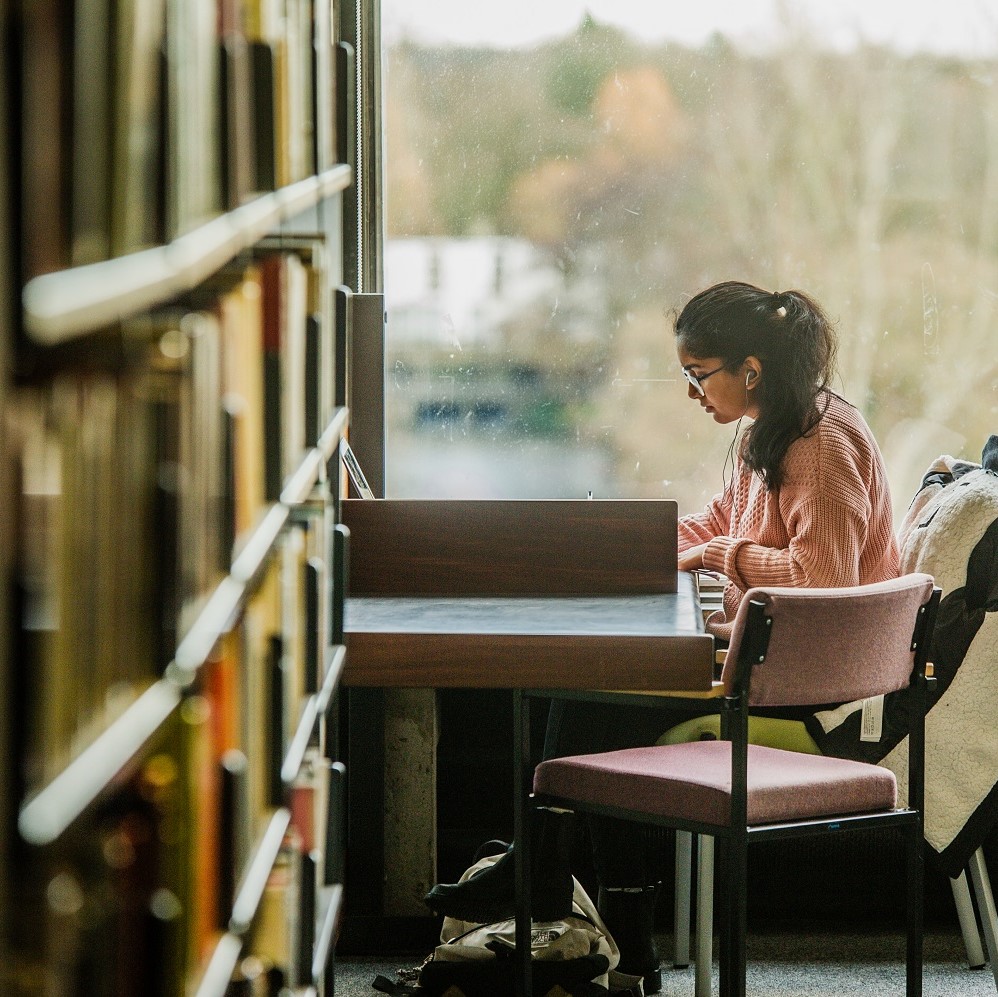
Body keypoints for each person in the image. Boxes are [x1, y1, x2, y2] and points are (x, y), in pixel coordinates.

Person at [424, 280, 900, 993]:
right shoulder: (772, 429)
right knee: (593, 696)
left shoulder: (819, 446)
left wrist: (720, 558)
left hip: (821, 685)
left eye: (696, 374)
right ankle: (565, 892)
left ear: (751, 370)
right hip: (775, 659)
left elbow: (822, 579)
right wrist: (613, 550)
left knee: (593, 707)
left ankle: (557, 887)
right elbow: (715, 524)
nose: (689, 391)